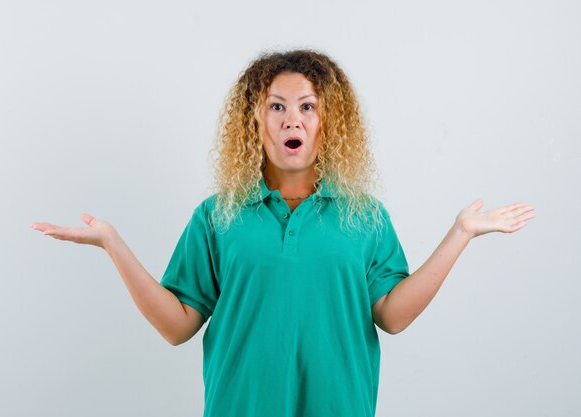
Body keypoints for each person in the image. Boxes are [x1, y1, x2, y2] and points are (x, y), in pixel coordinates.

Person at [31, 49, 536, 417]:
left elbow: (393, 317)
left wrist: (459, 235)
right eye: (277, 106)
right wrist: (114, 245)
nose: (291, 118)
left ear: (327, 123)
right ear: (256, 121)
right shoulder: (218, 215)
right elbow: (177, 326)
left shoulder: (365, 216)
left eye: (307, 106)